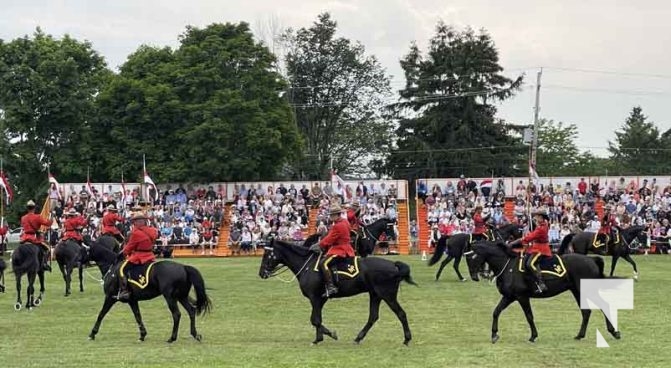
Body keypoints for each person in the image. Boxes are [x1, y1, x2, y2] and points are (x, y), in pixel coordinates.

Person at [309, 204, 353, 297]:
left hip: (340, 249)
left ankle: (331, 287)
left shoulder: (337, 226)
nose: (330, 217)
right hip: (346, 247)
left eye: (332, 215)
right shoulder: (345, 222)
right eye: (330, 215)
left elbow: (329, 239)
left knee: (323, 263)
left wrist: (318, 245)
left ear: (338, 215)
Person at [116, 212, 158, 302]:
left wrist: (122, 253)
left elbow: (129, 247)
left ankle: (124, 291)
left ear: (138, 222)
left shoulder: (136, 233)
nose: (134, 223)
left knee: (122, 269)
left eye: (135, 221)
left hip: (139, 256)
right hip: (150, 255)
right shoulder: (153, 230)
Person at [508, 210, 552, 294]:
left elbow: (529, 237)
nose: (535, 218)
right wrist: (531, 221)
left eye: (537, 216)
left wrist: (515, 242)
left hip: (541, 250)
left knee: (530, 264)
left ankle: (541, 283)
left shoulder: (541, 228)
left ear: (541, 218)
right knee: (524, 260)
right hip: (535, 248)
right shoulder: (542, 224)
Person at [20, 200, 53, 271]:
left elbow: (25, 227)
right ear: (34, 208)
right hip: (34, 237)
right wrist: (51, 217)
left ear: (27, 208)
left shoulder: (23, 218)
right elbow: (48, 224)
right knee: (47, 249)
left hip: (25, 237)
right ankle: (44, 264)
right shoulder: (38, 217)